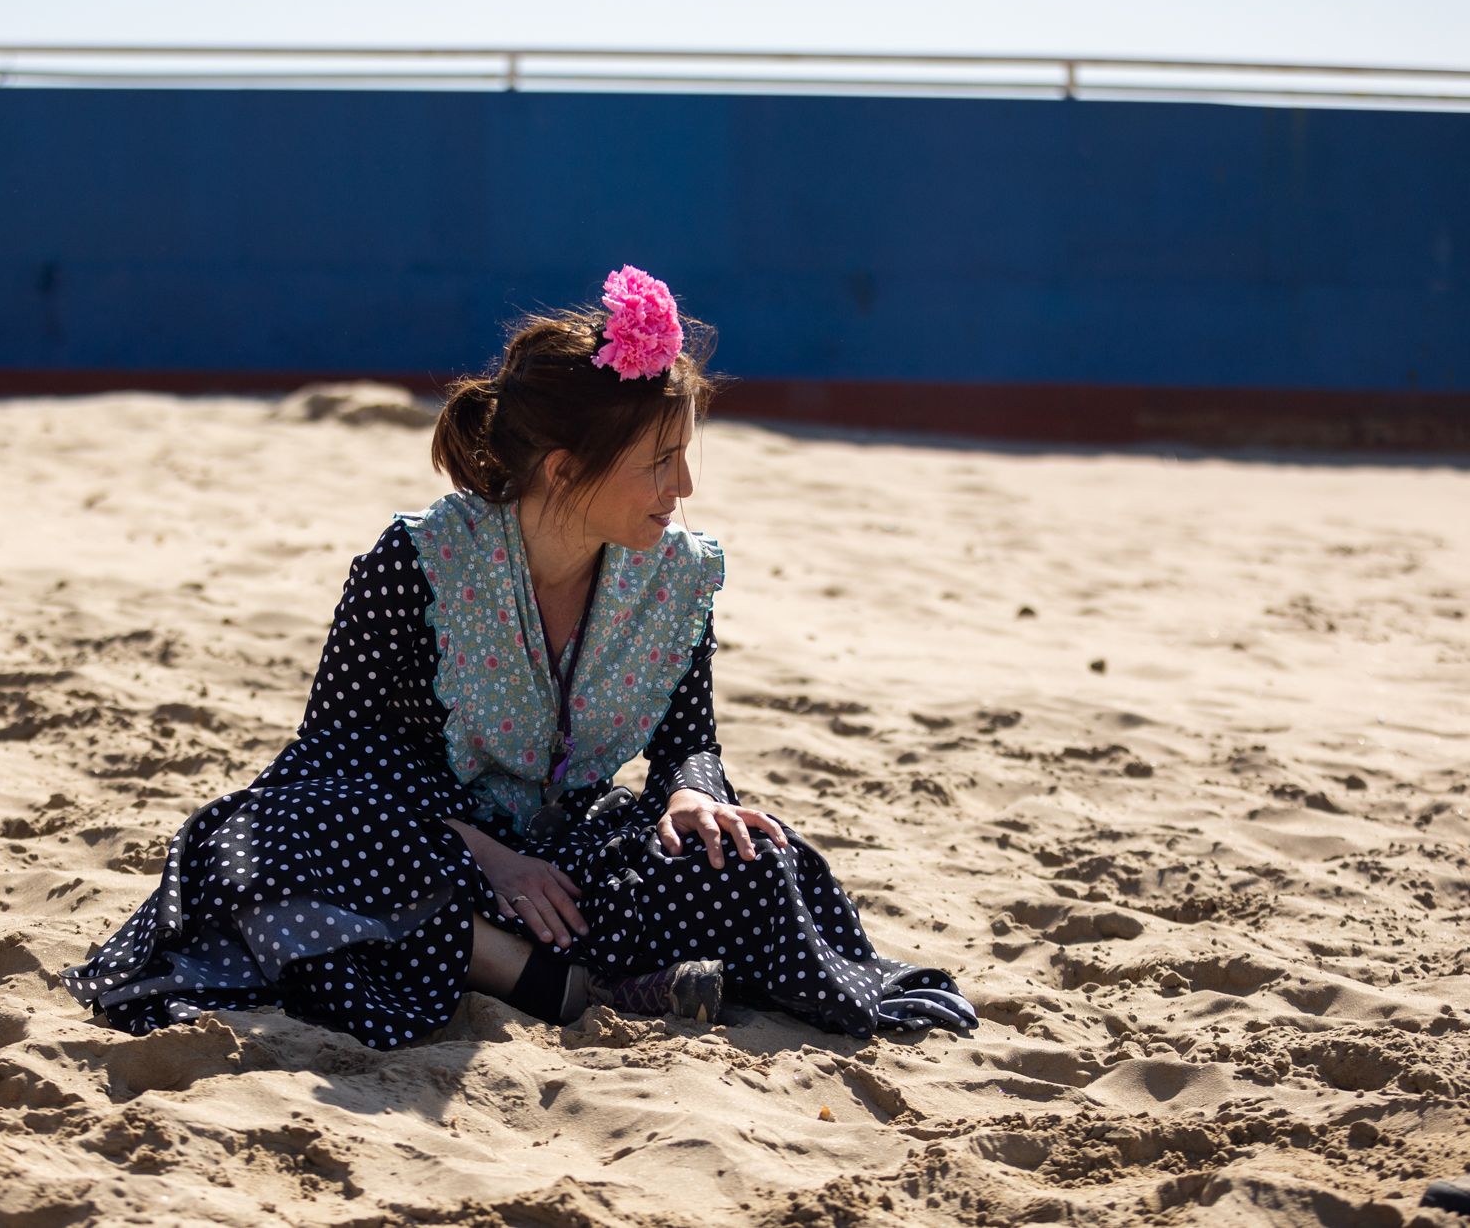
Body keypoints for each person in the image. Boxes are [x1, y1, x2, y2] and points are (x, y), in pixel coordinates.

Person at [63, 267, 977, 1049]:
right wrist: (488, 854)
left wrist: (696, 789)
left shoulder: (675, 584)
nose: (684, 488)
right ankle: (553, 983)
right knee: (257, 842)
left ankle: (524, 961)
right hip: (424, 843)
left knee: (758, 862)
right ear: (564, 470)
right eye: (659, 461)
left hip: (574, 859)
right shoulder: (417, 564)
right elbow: (334, 750)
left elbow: (688, 738)